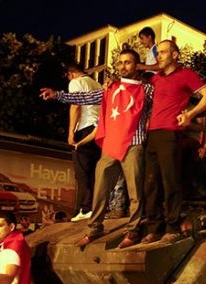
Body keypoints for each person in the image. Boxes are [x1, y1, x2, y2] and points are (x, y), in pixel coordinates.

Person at [40, 49, 154, 249]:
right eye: (120, 62)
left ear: (137, 66)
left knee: (135, 190)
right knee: (101, 188)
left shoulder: (147, 90)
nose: (123, 66)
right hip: (112, 144)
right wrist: (57, 95)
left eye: (128, 62)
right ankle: (94, 228)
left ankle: (133, 230)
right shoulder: (111, 88)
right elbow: (85, 98)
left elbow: (163, 102)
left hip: (134, 143)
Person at [143, 40, 206, 242]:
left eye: (163, 52)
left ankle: (172, 227)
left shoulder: (186, 74)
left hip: (171, 133)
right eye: (158, 53)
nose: (159, 56)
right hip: (152, 134)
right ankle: (154, 228)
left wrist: (190, 114)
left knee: (170, 181)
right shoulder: (155, 79)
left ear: (175, 55)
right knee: (151, 184)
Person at [66, 64, 102, 222]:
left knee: (82, 171)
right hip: (98, 129)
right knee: (94, 170)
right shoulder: (97, 84)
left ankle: (86, 208)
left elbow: (75, 106)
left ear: (71, 74)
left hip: (84, 128)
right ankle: (94, 206)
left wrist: (71, 132)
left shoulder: (76, 82)